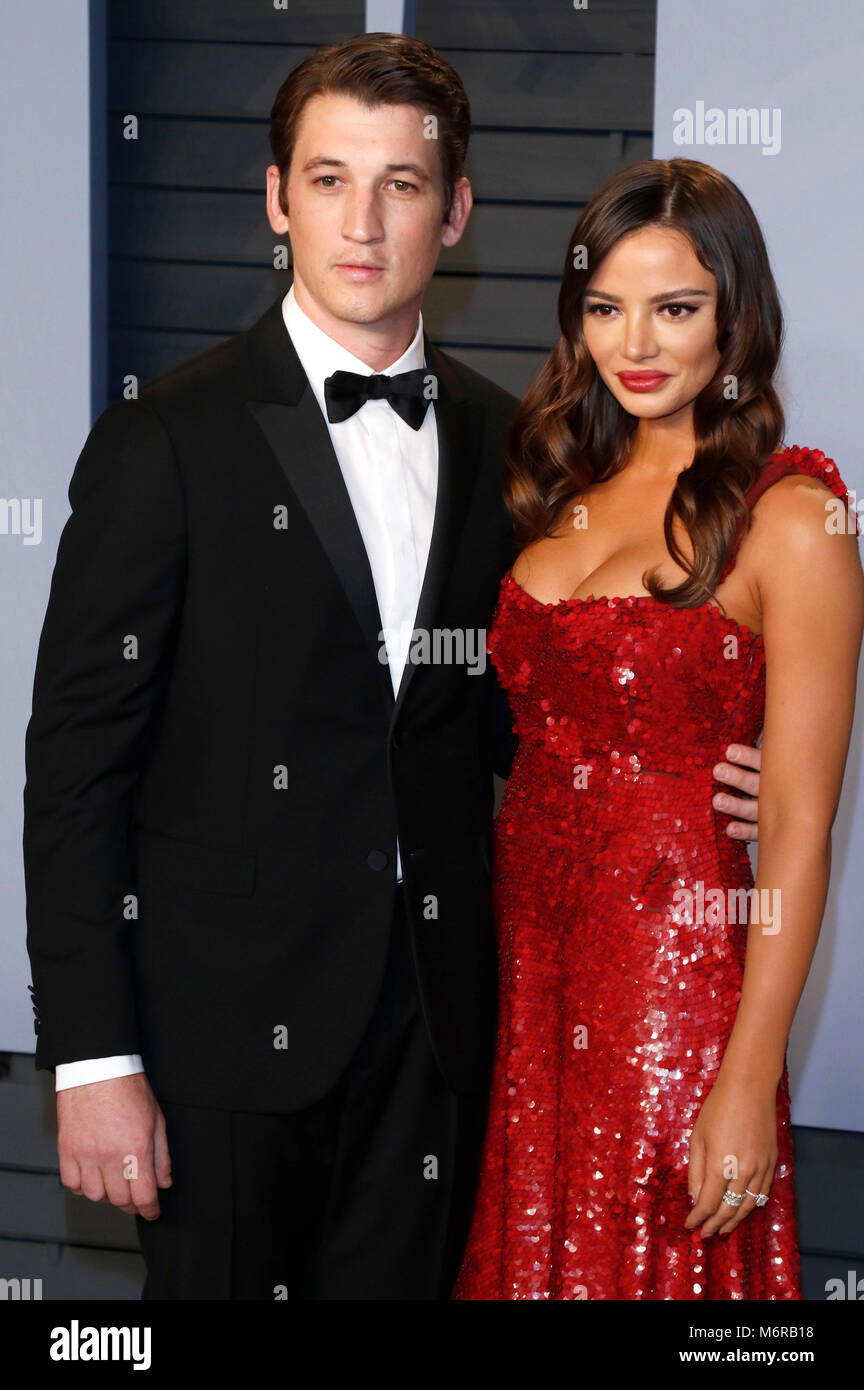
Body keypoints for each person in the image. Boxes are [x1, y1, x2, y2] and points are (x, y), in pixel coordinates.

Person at [22, 37, 762, 1301]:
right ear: (275, 200)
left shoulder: (515, 449)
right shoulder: (164, 439)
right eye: (328, 179)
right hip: (216, 1059)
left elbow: (512, 720)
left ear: (458, 209)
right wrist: (94, 1061)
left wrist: (697, 775)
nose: (363, 224)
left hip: (442, 1039)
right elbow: (75, 771)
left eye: (403, 185)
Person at [453, 158, 864, 1301]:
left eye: (676, 307)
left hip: (675, 993)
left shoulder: (792, 516)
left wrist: (747, 1074)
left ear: (736, 318)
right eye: (605, 306)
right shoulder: (559, 484)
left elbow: (794, 824)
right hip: (534, 984)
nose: (636, 340)